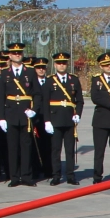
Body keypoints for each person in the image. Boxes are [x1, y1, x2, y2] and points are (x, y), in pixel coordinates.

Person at [0, 43, 38, 186]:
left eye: (19, 52)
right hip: (11, 113)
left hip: (26, 114)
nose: (17, 55)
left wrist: (34, 109)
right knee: (12, 147)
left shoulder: (30, 72)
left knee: (26, 146)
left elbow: (37, 93)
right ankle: (14, 177)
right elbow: (0, 97)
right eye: (14, 53)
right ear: (10, 55)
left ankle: (26, 176)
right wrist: (1, 117)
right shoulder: (5, 73)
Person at [43, 53, 83, 185]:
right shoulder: (50, 81)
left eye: (64, 63)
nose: (61, 65)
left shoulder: (74, 80)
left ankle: (70, 175)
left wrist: (78, 114)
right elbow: (45, 102)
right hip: (55, 119)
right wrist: (47, 121)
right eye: (59, 63)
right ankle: (56, 175)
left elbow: (79, 100)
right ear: (55, 65)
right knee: (56, 150)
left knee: (70, 150)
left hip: (69, 120)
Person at [89, 51, 110, 182]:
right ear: (101, 66)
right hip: (101, 120)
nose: (109, 67)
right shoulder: (96, 79)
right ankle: (97, 175)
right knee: (99, 150)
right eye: (106, 65)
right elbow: (95, 97)